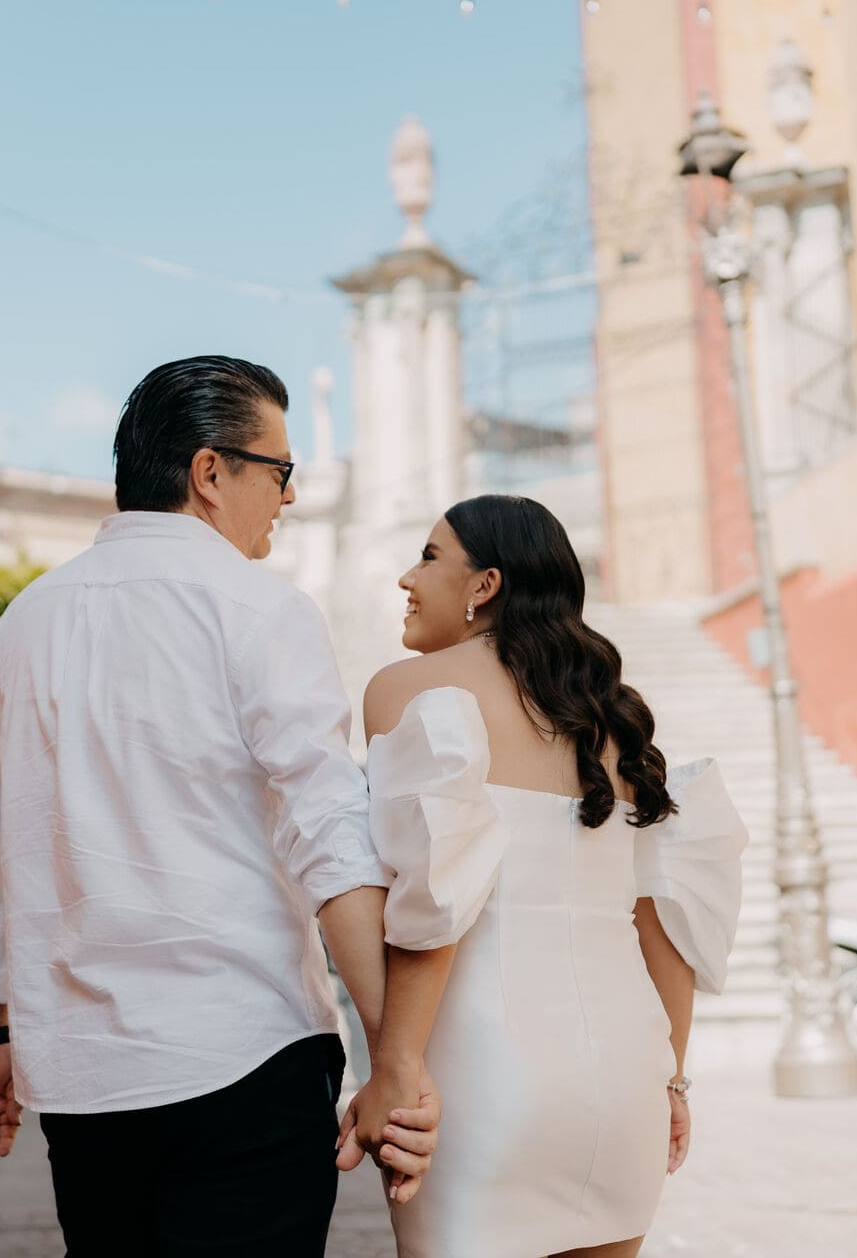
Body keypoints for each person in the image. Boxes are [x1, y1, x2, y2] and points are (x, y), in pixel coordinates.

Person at [0, 355, 440, 1255]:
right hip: (243, 1053)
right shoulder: (259, 609)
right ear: (211, 472)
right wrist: (391, 1054)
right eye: (280, 471)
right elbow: (330, 833)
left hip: (85, 1080)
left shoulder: (22, 624)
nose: (289, 497)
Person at [340, 494, 748, 1257]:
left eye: (428, 557)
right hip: (626, 1080)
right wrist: (672, 1080)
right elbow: (663, 921)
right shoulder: (612, 717)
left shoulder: (408, 690)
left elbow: (437, 897)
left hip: (482, 1083)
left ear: (484, 585)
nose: (407, 578)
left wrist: (394, 1065)